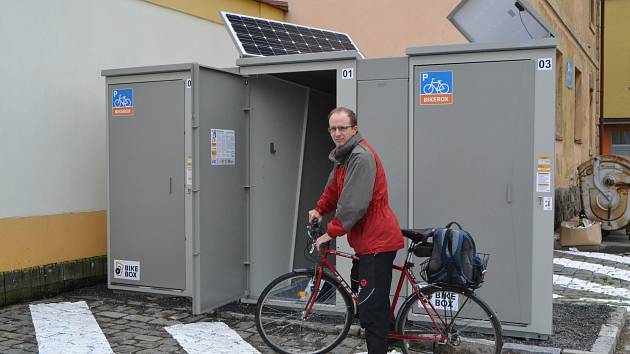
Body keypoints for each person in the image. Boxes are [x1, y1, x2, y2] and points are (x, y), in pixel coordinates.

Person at [308, 107, 404, 354]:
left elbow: (353, 204)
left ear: (354, 129)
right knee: (367, 294)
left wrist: (331, 232)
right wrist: (319, 209)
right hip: (366, 240)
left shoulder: (360, 157)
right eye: (333, 128)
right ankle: (393, 342)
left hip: (377, 240)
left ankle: (380, 347)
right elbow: (334, 189)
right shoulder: (344, 156)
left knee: (371, 307)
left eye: (343, 128)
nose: (337, 133)